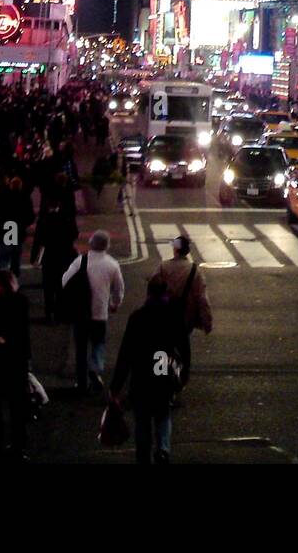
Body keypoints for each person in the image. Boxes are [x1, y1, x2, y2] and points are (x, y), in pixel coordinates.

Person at [110, 275, 182, 465]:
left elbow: (126, 353)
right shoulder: (173, 316)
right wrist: (182, 375)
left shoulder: (137, 317)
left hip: (142, 374)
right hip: (163, 371)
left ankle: (143, 455)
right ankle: (163, 449)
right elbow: (183, 348)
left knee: (142, 419)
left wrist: (116, 386)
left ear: (148, 293)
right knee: (163, 413)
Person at [61, 230, 124, 395]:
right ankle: (95, 368)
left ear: (91, 243)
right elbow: (119, 288)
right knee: (98, 343)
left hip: (81, 312)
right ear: (107, 246)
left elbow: (65, 280)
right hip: (100, 312)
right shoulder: (112, 264)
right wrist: (115, 303)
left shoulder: (81, 260)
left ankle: (81, 382)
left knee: (80, 348)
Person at [0, 270, 31, 458]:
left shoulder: (19, 302)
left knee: (15, 407)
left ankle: (19, 445)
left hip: (13, 361)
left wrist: (3, 338)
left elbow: (21, 331)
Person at [157, 235, 213, 391]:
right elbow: (202, 299)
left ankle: (160, 376)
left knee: (163, 346)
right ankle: (181, 377)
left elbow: (154, 290)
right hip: (185, 317)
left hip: (165, 315)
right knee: (182, 348)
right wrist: (207, 321)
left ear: (175, 249)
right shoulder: (195, 271)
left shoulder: (163, 267)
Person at [31, 191, 77, 323]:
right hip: (63, 256)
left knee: (48, 287)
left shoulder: (44, 220)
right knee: (61, 285)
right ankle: (59, 312)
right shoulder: (66, 218)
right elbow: (74, 234)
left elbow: (38, 240)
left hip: (49, 257)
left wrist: (35, 258)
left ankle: (48, 312)